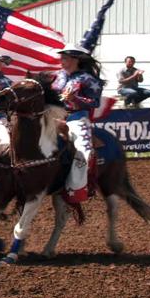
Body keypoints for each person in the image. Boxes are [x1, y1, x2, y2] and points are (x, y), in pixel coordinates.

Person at [52, 43, 103, 204]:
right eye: (62, 57)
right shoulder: (59, 75)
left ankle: (77, 189)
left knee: (84, 152)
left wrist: (75, 99)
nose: (62, 60)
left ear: (76, 60)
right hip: (54, 117)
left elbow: (94, 103)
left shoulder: (88, 79)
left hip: (77, 117)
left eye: (65, 58)